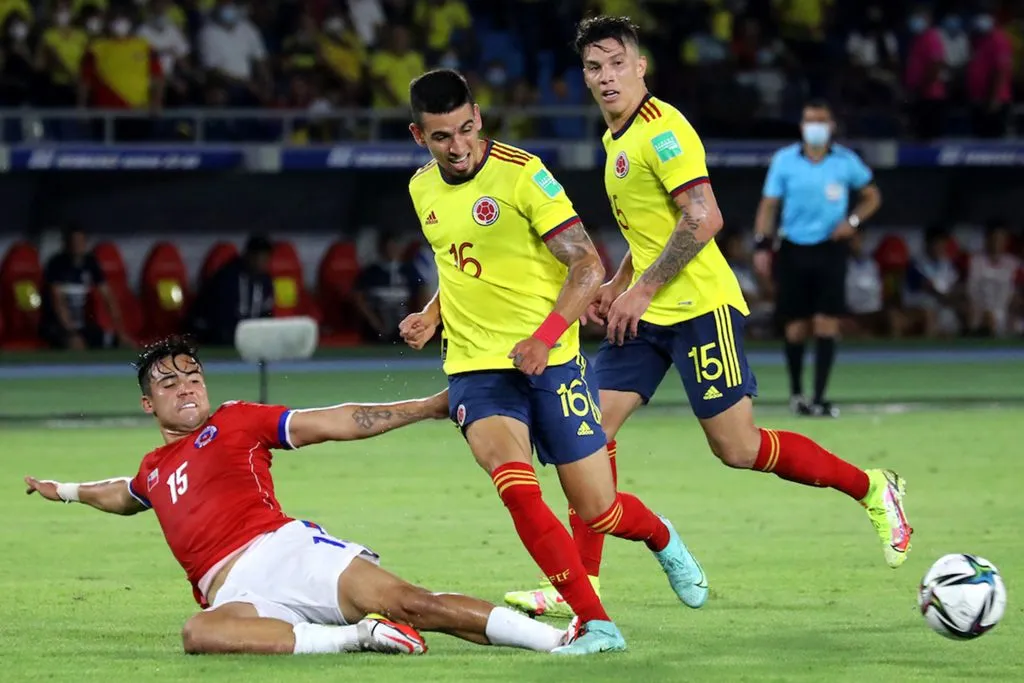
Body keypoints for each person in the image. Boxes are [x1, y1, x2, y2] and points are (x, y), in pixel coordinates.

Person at [503, 16, 912, 620]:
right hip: (646, 313)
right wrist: (618, 287)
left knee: (738, 448)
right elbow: (652, 234)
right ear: (584, 78)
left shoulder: (662, 129)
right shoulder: (615, 139)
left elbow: (704, 217)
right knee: (587, 436)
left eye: (617, 63)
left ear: (640, 66)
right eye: (595, 67)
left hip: (698, 308)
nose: (607, 76)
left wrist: (640, 291)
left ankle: (872, 487)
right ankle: (581, 585)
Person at [398, 68, 706, 655]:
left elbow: (587, 265)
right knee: (517, 489)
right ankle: (596, 625)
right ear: (419, 136)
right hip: (476, 367)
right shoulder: (422, 189)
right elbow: (457, 262)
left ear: (478, 118)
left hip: (553, 360)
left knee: (599, 510)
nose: (458, 147)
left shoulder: (524, 175)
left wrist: (544, 337)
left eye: (465, 129)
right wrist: (434, 314)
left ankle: (661, 536)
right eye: (441, 137)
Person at [24, 336, 573, 657]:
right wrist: (65, 491)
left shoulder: (236, 420)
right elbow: (121, 494)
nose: (186, 388)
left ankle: (556, 641)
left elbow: (335, 421)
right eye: (169, 384)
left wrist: (429, 406)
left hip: (285, 552)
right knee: (200, 632)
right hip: (234, 592)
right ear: (149, 404)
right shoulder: (153, 469)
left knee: (416, 604)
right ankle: (358, 636)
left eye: (193, 378)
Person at [753, 100, 882, 416]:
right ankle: (797, 394)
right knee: (796, 325)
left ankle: (820, 396)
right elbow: (769, 205)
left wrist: (852, 222)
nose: (816, 127)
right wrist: (761, 245)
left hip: (830, 248)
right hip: (793, 247)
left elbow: (872, 196)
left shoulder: (845, 161)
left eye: (822, 121)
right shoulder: (784, 160)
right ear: (801, 126)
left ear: (832, 125)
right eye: (810, 121)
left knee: (827, 322)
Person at [40, 225, 132, 350]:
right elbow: (58, 302)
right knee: (75, 346)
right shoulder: (56, 265)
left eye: (80, 242)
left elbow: (108, 298)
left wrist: (121, 331)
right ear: (66, 243)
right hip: (59, 327)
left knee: (119, 343)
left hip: (84, 326)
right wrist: (71, 332)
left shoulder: (91, 263)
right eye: (73, 242)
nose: (76, 246)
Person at [189, 235, 274, 346]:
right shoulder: (228, 277)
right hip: (218, 337)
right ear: (248, 255)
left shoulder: (265, 282)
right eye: (258, 256)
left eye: (265, 257)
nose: (262, 261)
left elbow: (266, 314)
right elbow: (219, 316)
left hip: (249, 338)